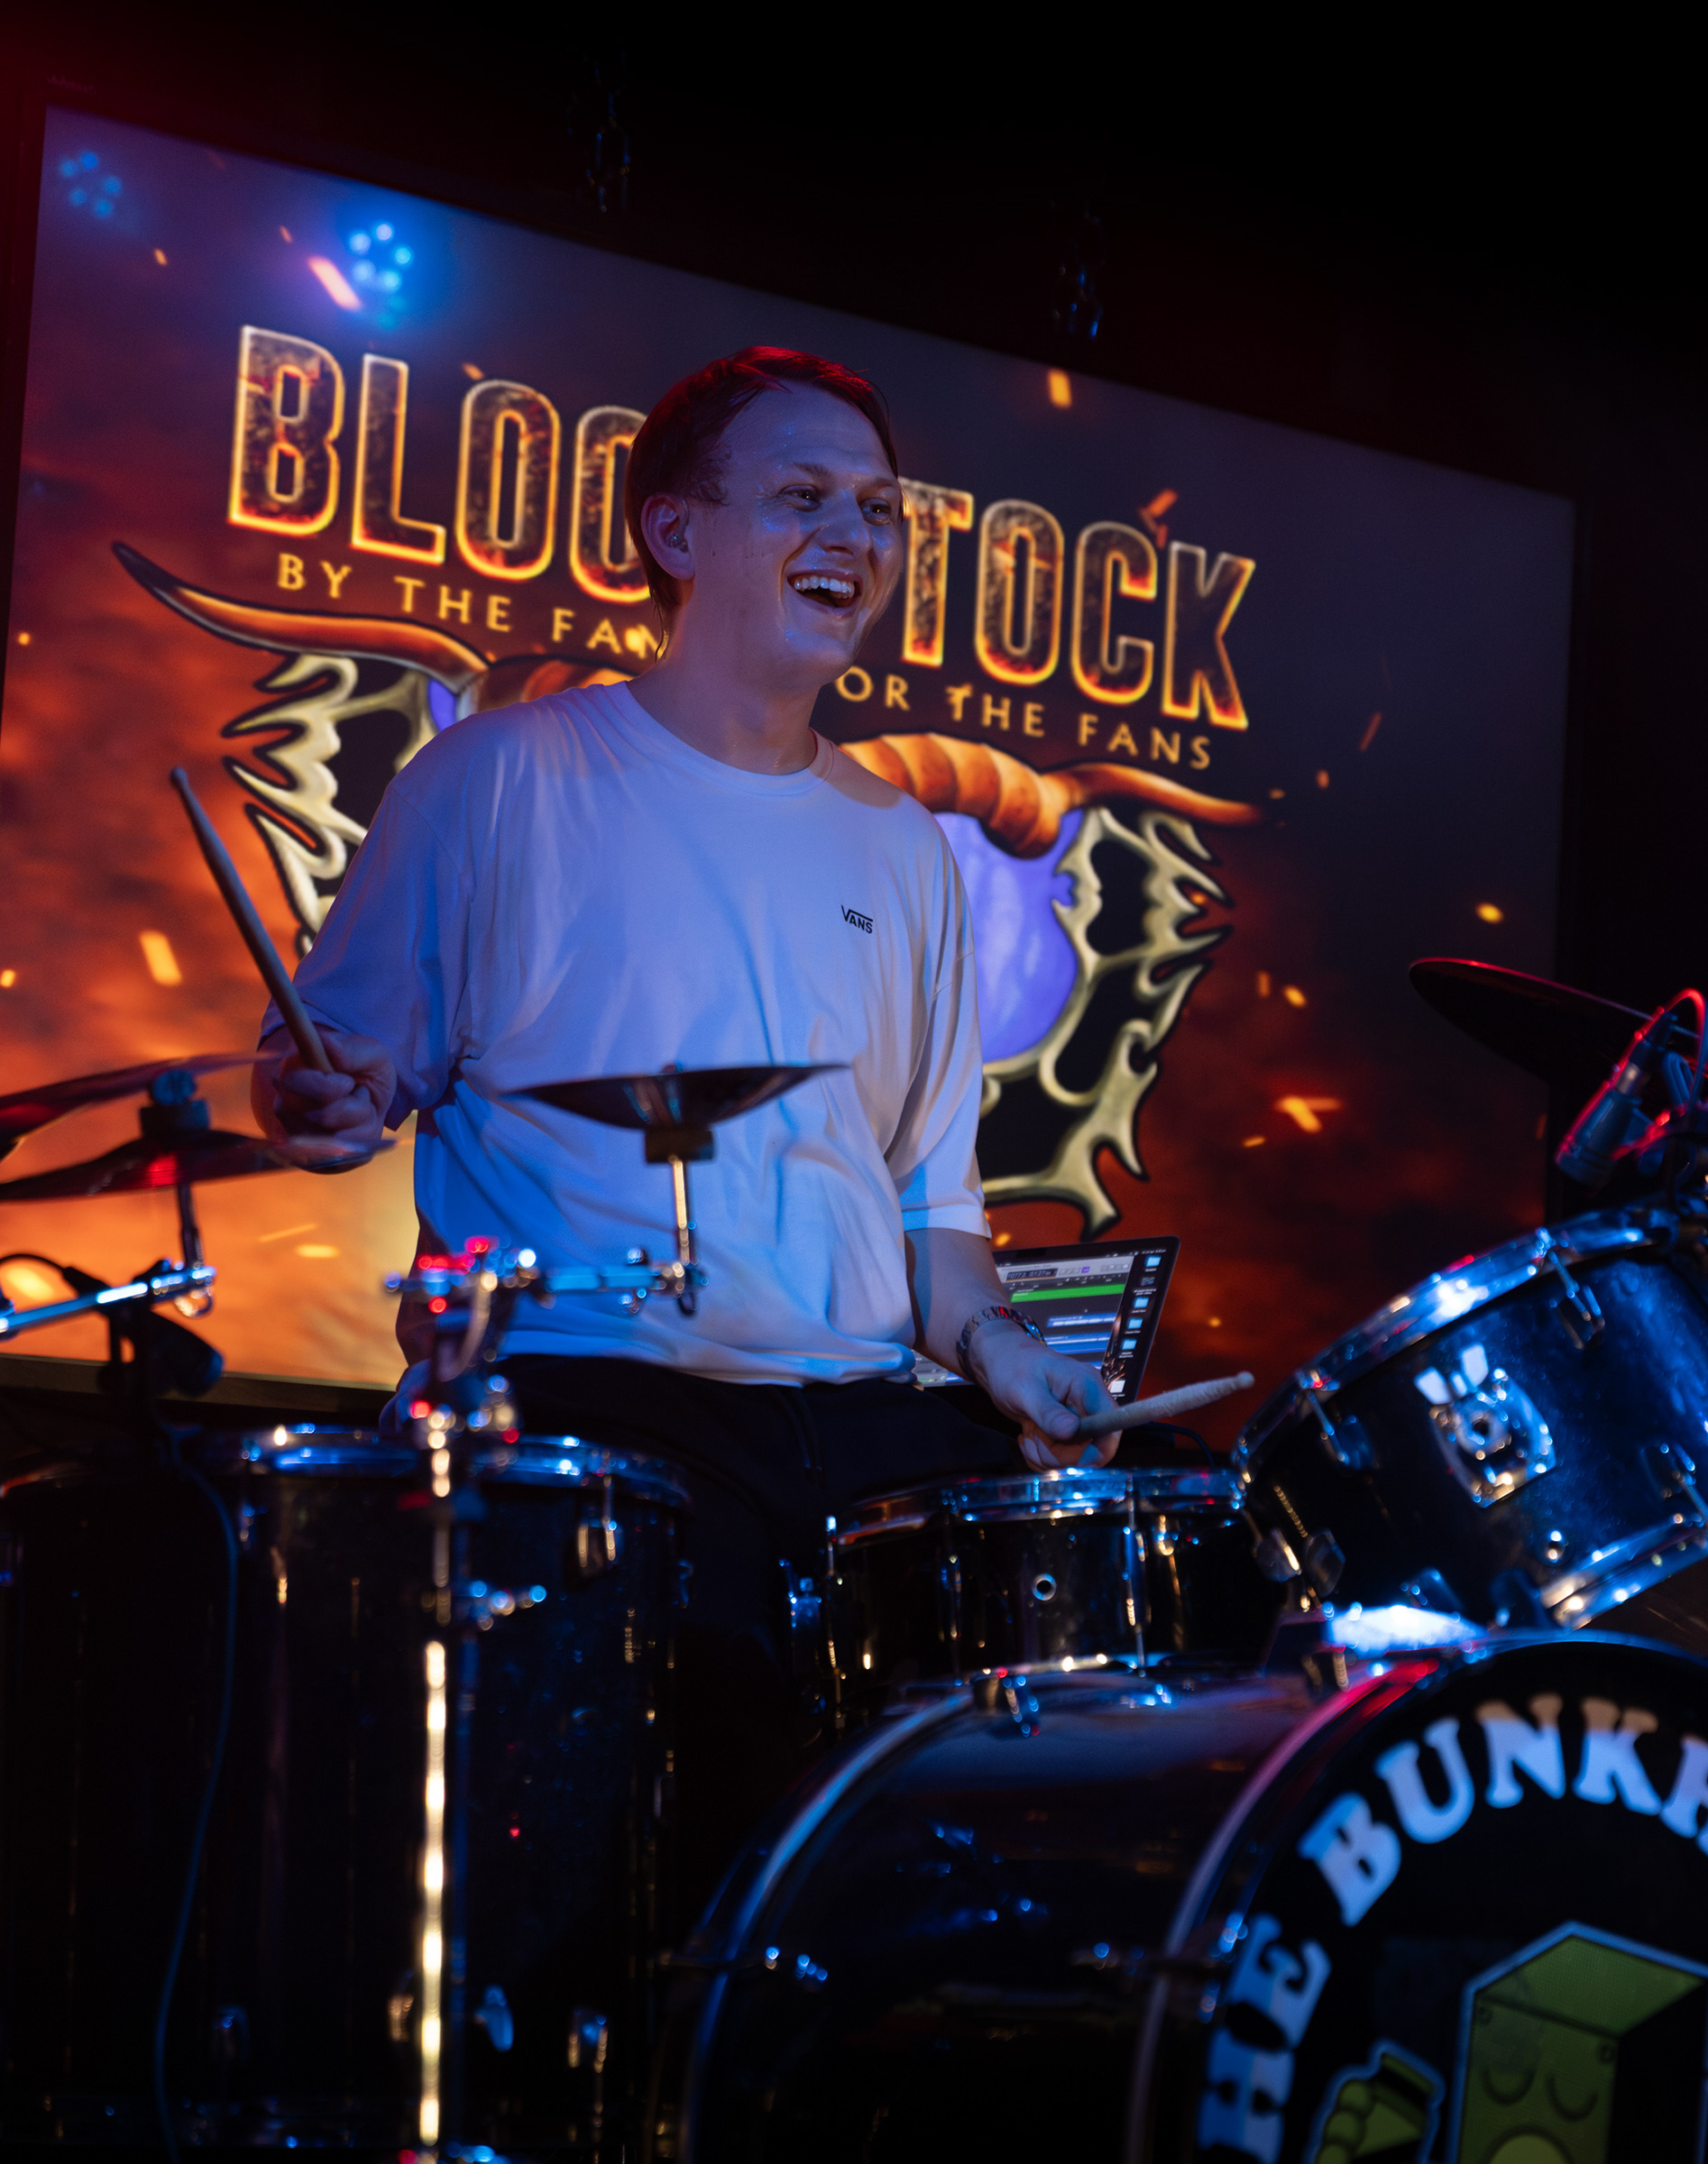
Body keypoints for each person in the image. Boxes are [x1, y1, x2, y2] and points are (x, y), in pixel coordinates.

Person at [253, 346, 1122, 1916]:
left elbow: (935, 1223)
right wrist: (320, 1097)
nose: (854, 537)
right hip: (600, 1398)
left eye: (879, 509)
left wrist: (1007, 1355)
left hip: (855, 1420)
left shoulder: (905, 846)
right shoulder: (496, 780)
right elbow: (336, 1073)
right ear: (673, 530)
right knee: (674, 1833)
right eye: (804, 498)